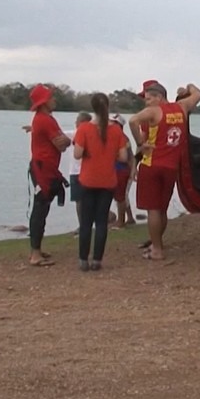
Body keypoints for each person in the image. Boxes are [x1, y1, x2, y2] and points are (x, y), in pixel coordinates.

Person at [128, 79, 200, 261]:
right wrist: (188, 87)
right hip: (171, 166)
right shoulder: (182, 107)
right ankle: (157, 244)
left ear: (159, 97)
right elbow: (198, 94)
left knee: (153, 209)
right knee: (162, 208)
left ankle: (157, 250)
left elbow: (132, 120)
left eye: (148, 98)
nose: (146, 102)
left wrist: (140, 143)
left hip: (152, 165)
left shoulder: (153, 111)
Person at [72, 94, 128, 271]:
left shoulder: (84, 129)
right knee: (101, 221)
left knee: (86, 222)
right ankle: (97, 260)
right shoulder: (116, 131)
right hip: (107, 180)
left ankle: (83, 259)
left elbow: (77, 154)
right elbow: (123, 157)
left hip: (88, 180)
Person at [25, 84, 70, 267]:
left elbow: (61, 141)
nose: (54, 100)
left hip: (46, 168)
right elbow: (61, 144)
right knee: (40, 209)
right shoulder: (45, 120)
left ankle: (37, 249)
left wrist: (64, 140)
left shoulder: (43, 119)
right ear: (44, 102)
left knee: (42, 208)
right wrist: (66, 141)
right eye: (51, 97)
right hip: (42, 169)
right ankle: (35, 254)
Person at [109, 113, 137, 229]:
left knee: (121, 197)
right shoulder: (112, 136)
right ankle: (128, 218)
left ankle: (122, 221)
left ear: (118, 125)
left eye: (112, 122)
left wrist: (133, 171)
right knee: (121, 196)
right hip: (116, 170)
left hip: (122, 170)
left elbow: (130, 157)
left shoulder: (123, 138)